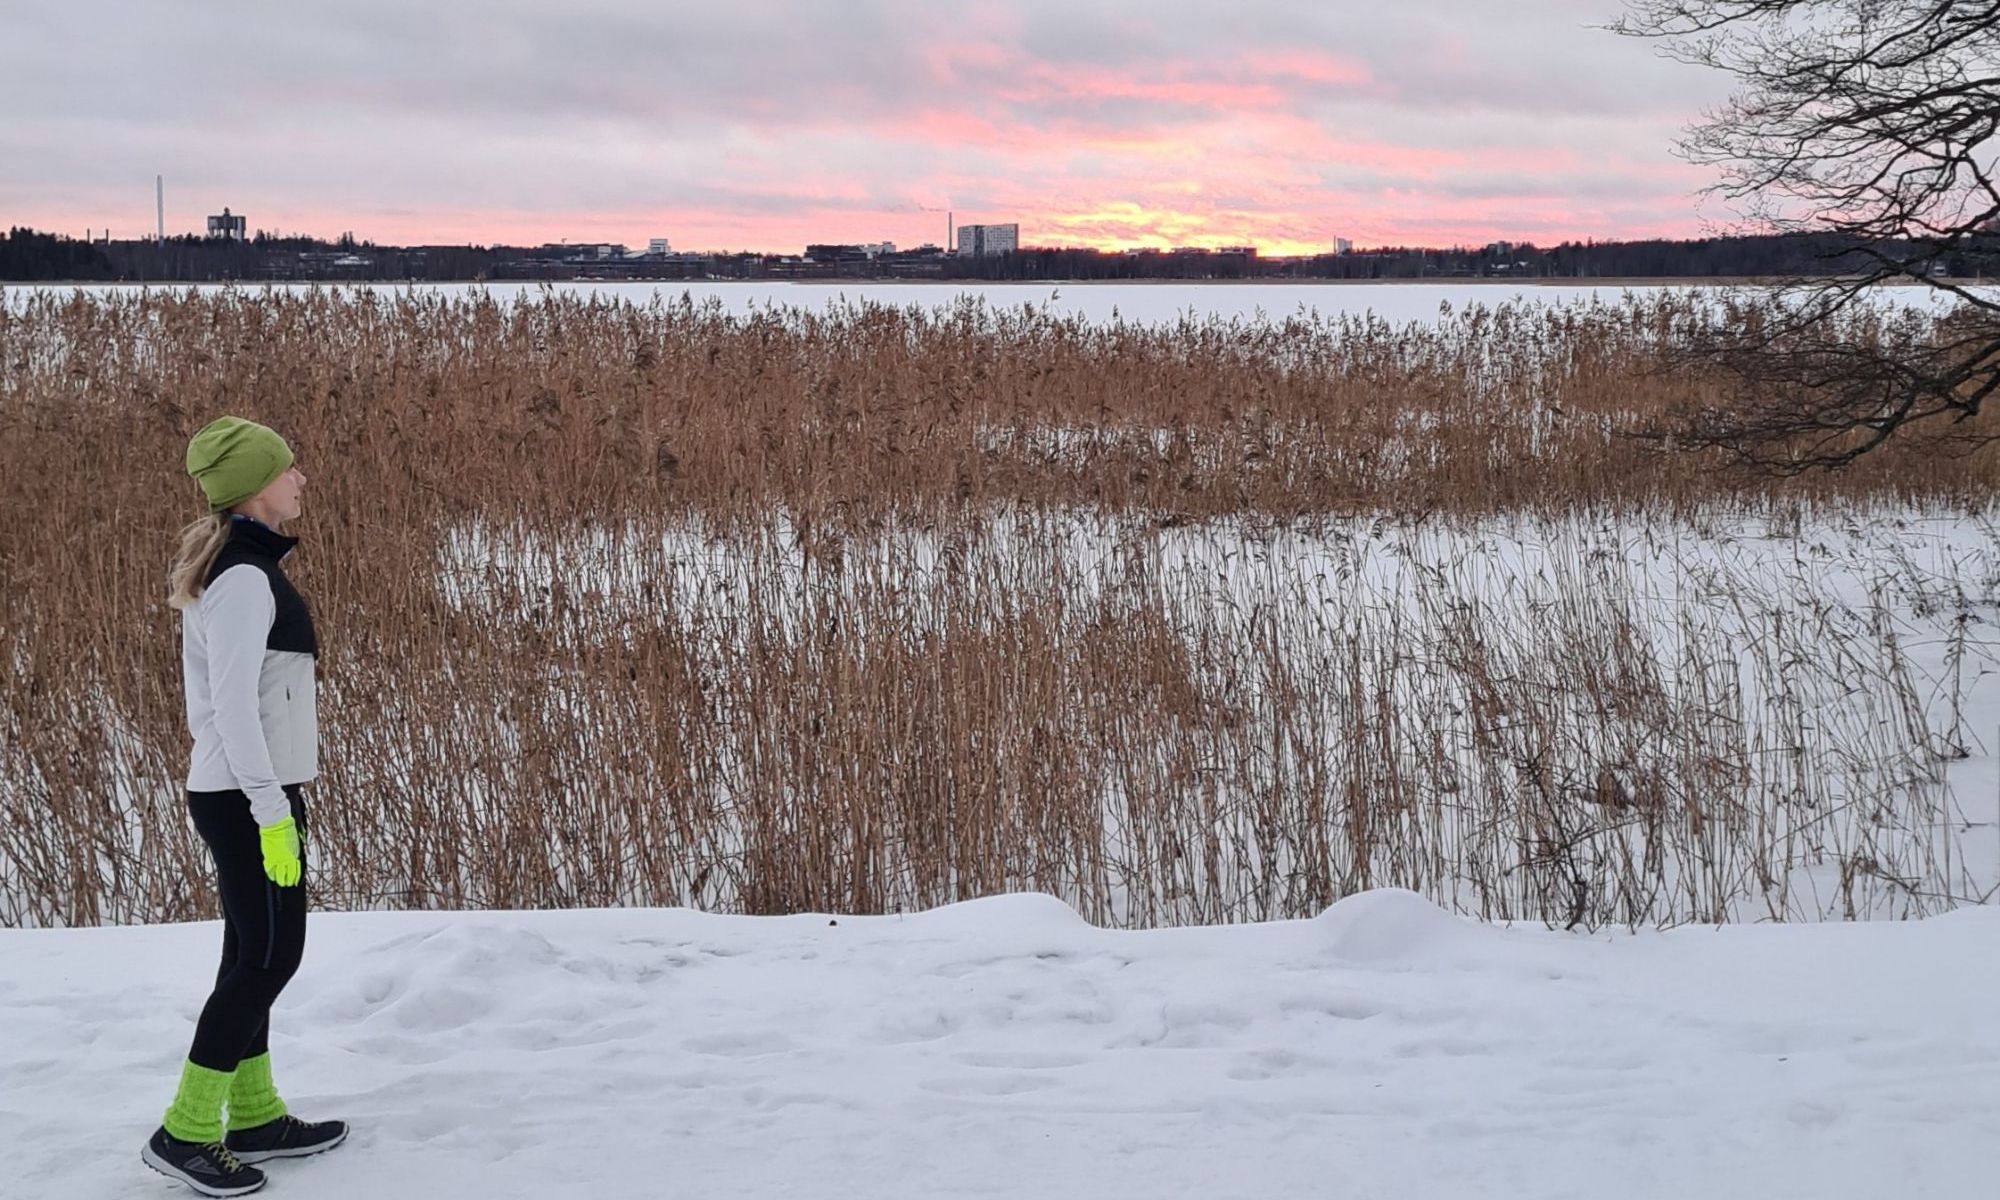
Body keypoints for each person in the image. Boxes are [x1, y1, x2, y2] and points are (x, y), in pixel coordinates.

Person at [143, 416, 347, 1197]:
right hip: (241, 796)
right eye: (289, 470)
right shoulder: (240, 580)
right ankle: (187, 1130)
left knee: (249, 952)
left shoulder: (247, 568)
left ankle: (255, 1113)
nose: (301, 480)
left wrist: (273, 799)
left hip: (250, 791)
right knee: (270, 957)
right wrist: (271, 813)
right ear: (255, 490)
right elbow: (230, 710)